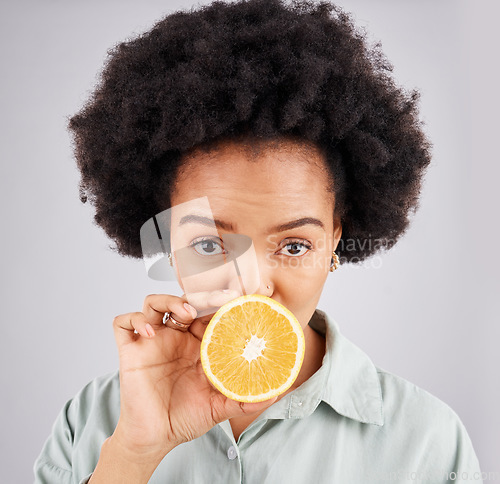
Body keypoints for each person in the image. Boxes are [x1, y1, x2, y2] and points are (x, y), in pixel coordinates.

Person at [34, 0, 483, 482]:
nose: (252, 287)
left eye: (294, 246)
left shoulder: (426, 442)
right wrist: (135, 453)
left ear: (335, 240)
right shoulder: (93, 421)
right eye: (209, 245)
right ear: (166, 241)